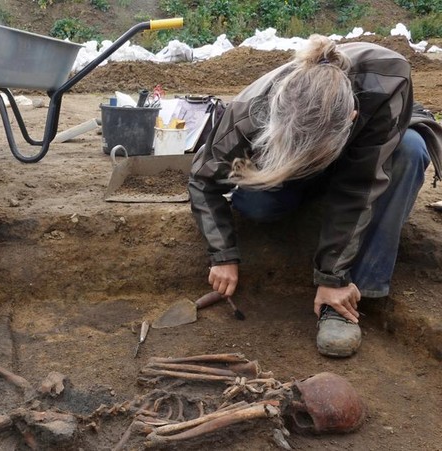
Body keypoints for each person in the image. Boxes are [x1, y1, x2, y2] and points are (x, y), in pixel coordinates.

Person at [189, 35, 442, 357]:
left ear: (352, 119)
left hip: (362, 156)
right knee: (259, 204)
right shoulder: (249, 112)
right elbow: (202, 180)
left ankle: (349, 298)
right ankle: (306, 199)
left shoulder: (388, 77)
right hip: (293, 170)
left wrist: (332, 278)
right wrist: (222, 255)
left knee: (410, 150)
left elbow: (360, 185)